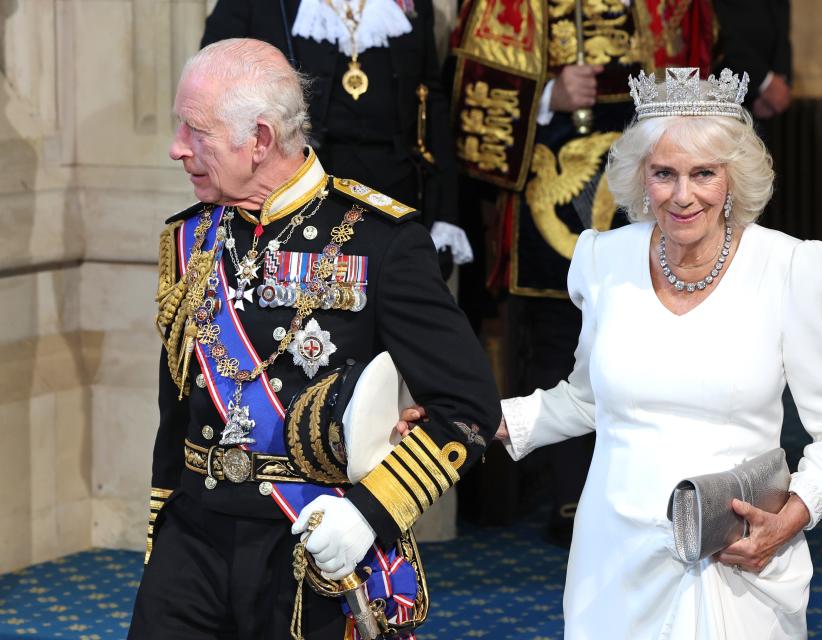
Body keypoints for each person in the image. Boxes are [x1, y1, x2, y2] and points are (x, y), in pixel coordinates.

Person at [130, 38, 500, 639]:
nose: (177, 148)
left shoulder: (381, 240)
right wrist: (162, 537)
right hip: (192, 549)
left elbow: (468, 410)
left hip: (313, 548)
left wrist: (369, 512)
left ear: (260, 139)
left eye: (195, 131)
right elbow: (175, 417)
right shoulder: (188, 239)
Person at [494, 67, 822, 637]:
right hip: (614, 554)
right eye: (664, 173)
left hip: (734, 553)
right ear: (642, 178)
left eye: (703, 173)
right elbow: (586, 400)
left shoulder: (789, 267)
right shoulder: (602, 259)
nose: (682, 194)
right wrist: (480, 419)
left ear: (732, 180)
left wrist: (788, 520)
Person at [449, 0, 715, 542]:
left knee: (655, 328)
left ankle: (655, 482)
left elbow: (696, 54)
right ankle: (571, 494)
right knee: (560, 339)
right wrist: (549, 95)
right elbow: (474, 82)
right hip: (553, 177)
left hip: (654, 174)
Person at [201, 0, 472, 276]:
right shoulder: (253, 6)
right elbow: (215, 93)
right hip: (300, 198)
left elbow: (432, 100)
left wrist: (447, 213)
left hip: (395, 196)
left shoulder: (412, 5)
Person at [713, 0, 792, 121]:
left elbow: (780, 12)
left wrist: (781, 75)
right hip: (725, 89)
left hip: (770, 95)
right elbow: (714, 24)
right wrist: (764, 81)